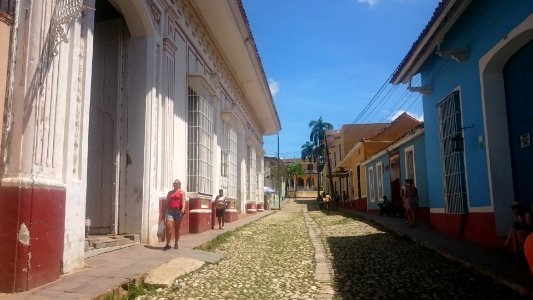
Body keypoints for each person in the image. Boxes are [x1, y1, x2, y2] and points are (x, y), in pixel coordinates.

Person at [164, 179, 185, 250]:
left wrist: (183, 209)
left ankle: (176, 243)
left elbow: (183, 201)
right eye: (174, 183)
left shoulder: (181, 192)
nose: (175, 184)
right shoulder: (169, 193)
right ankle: (168, 243)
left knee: (177, 228)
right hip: (170, 211)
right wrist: (164, 211)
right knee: (168, 226)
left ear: (179, 185)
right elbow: (167, 202)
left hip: (178, 211)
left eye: (177, 183)